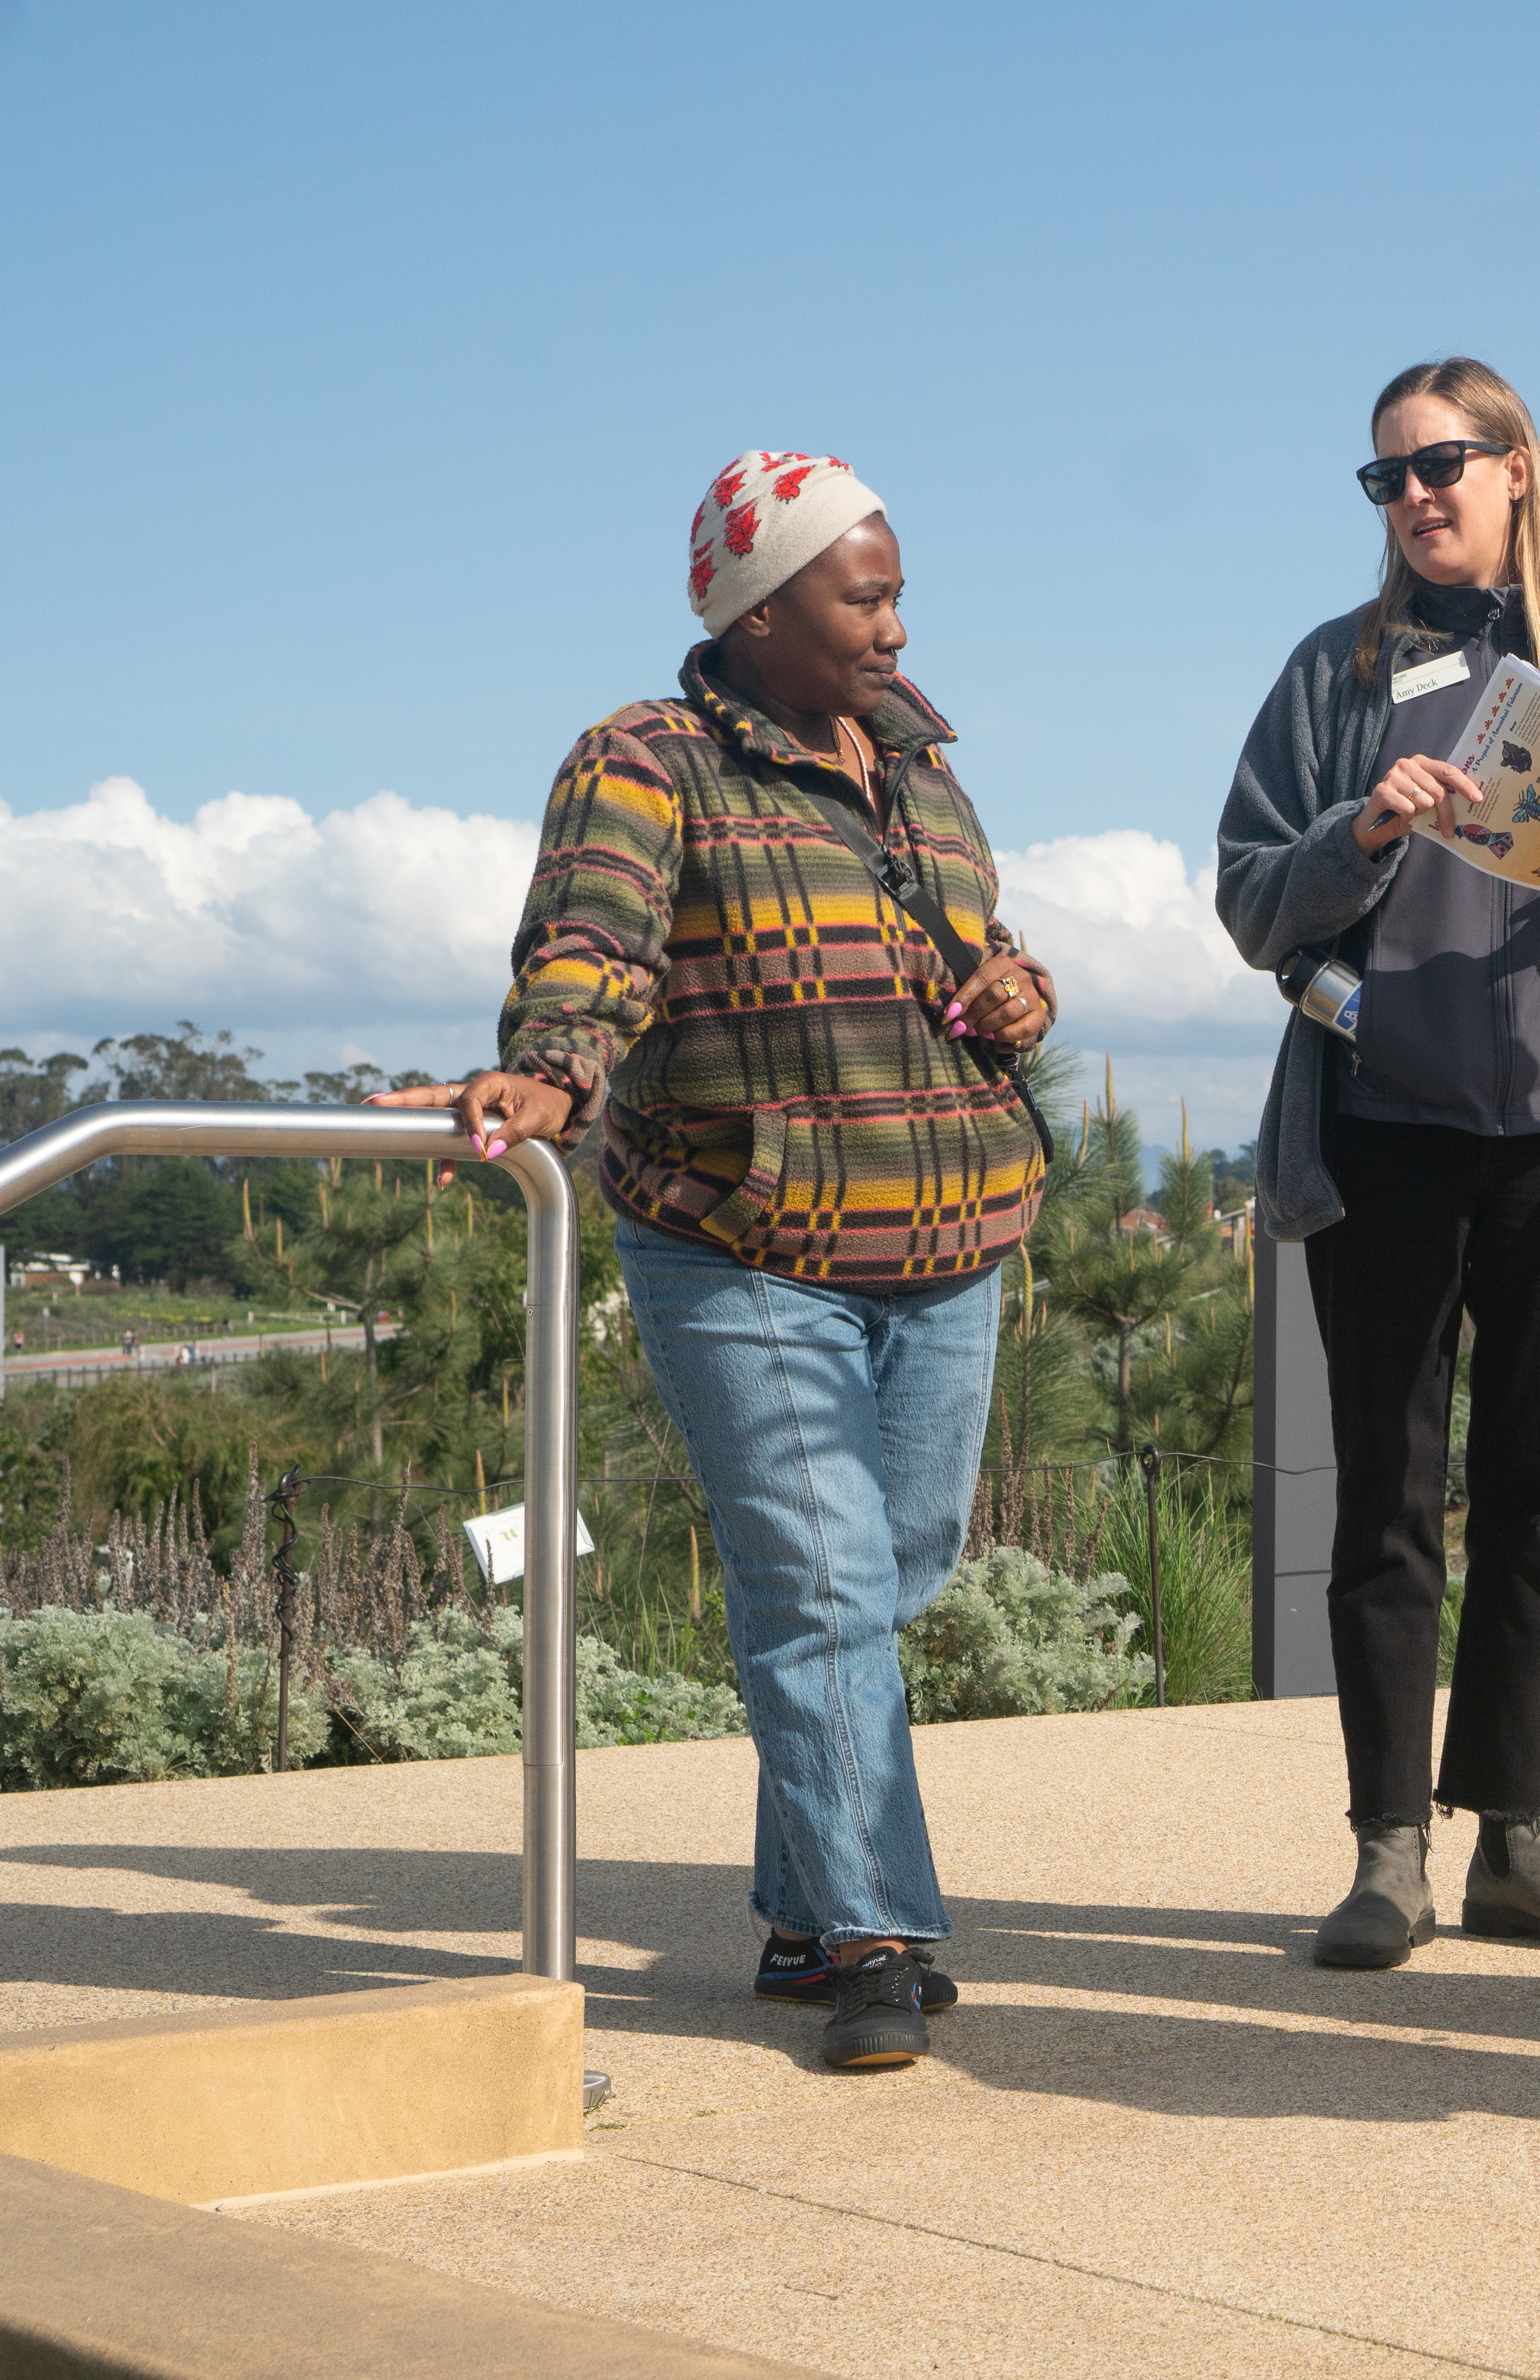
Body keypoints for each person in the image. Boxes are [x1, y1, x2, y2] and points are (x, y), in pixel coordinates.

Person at [376, 452, 1057, 2072]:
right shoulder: (647, 761)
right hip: (744, 1240)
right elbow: (594, 943)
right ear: (760, 612)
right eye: (865, 594)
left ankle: (802, 1913)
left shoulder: (920, 765)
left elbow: (970, 951)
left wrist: (1021, 988)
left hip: (954, 1230)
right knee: (819, 1587)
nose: (897, 626)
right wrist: (550, 1068)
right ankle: (880, 1942)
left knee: (894, 1570)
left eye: (896, 594)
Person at [1217, 358, 1540, 1969]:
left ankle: (1519, 1840)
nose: (1418, 496)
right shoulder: (1336, 674)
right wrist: (1355, 835)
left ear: (1520, 469)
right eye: (1388, 478)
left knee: (1538, 1503)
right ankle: (1391, 1854)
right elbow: (1249, 904)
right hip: (1381, 1142)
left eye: (1445, 463)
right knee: (1388, 1501)